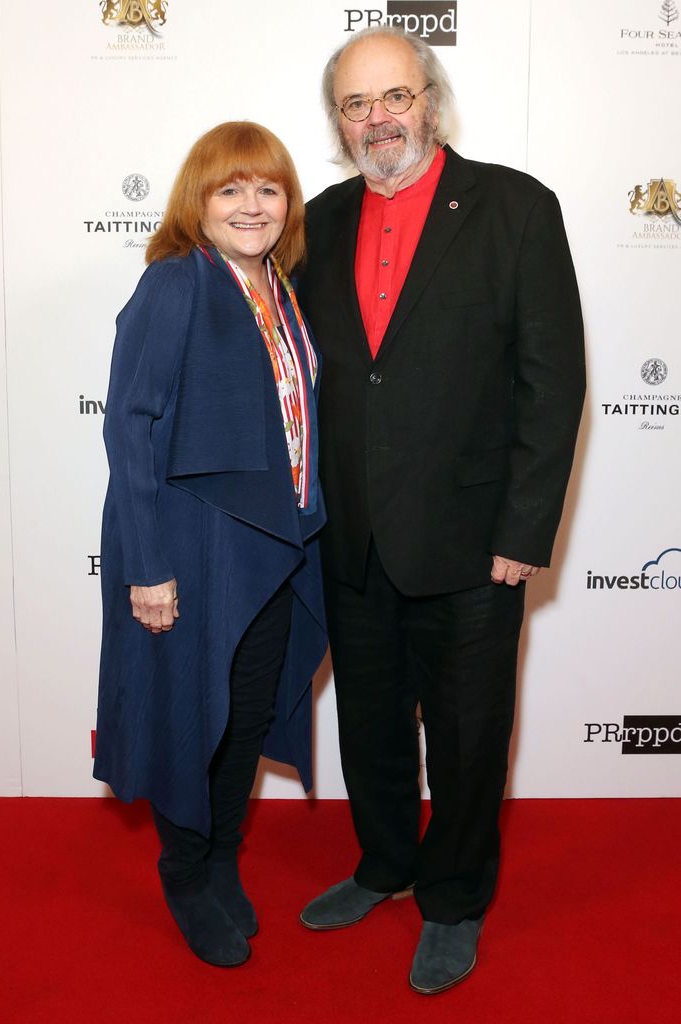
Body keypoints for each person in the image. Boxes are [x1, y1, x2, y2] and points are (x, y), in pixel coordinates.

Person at [298, 27, 586, 994]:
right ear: (337, 123)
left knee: (465, 733)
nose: (376, 118)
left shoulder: (513, 207)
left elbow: (553, 384)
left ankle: (454, 896)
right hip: (353, 535)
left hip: (471, 541)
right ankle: (385, 863)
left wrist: (522, 531)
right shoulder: (321, 221)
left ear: (430, 99)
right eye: (354, 103)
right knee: (370, 722)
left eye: (394, 96)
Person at [93, 122, 326, 969]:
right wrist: (147, 566)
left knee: (245, 717)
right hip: (191, 550)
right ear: (199, 201)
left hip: (273, 547)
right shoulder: (176, 284)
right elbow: (129, 427)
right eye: (229, 189)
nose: (250, 205)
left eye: (266, 189)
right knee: (194, 717)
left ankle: (222, 858)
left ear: (287, 204)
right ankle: (185, 872)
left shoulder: (281, 292)